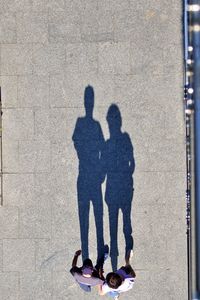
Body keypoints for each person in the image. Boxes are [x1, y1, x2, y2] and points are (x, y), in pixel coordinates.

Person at [72, 85, 105, 262]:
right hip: (86, 173)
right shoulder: (82, 122)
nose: (89, 104)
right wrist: (87, 153)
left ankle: (98, 253)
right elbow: (76, 140)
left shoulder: (94, 124)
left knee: (98, 215)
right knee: (84, 215)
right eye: (87, 101)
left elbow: (101, 146)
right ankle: (86, 256)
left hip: (90, 174)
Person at [102, 104, 135, 271]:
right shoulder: (125, 139)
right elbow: (132, 163)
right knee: (125, 222)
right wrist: (126, 175)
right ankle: (127, 254)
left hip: (113, 190)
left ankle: (117, 260)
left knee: (114, 224)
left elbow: (103, 168)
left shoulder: (108, 144)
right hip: (123, 188)